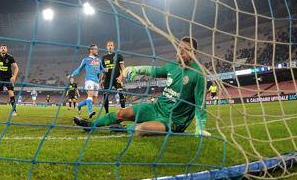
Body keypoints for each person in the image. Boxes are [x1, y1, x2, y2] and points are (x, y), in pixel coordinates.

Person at [74, 37, 210, 137]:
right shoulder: (173, 66)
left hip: (174, 121)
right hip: (156, 108)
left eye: (185, 50)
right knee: (122, 113)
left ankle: (122, 129)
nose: (180, 52)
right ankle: (90, 126)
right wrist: (136, 69)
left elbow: (200, 104)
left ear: (193, 52)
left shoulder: (198, 74)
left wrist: (200, 127)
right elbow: (155, 71)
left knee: (141, 129)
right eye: (179, 48)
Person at [68, 44, 104, 119]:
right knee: (90, 95)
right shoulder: (86, 60)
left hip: (97, 82)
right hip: (89, 80)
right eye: (95, 49)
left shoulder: (99, 60)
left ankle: (79, 105)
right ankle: (90, 112)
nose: (97, 50)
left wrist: (101, 79)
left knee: (93, 99)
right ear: (91, 50)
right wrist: (72, 75)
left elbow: (101, 70)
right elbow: (79, 69)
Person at [0, 45, 19, 116]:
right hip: (0, 78)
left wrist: (14, 76)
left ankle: (14, 111)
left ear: (7, 49)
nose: (3, 49)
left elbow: (16, 68)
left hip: (8, 78)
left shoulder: (10, 57)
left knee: (11, 92)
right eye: (2, 48)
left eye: (4, 48)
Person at [101, 40, 126, 113]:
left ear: (113, 47)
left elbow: (123, 68)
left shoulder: (118, 55)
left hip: (117, 78)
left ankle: (123, 112)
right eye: (109, 45)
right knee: (105, 96)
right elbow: (103, 70)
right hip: (107, 79)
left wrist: (121, 77)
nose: (110, 47)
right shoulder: (104, 57)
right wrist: (101, 79)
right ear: (106, 47)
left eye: (111, 45)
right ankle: (107, 113)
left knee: (121, 94)